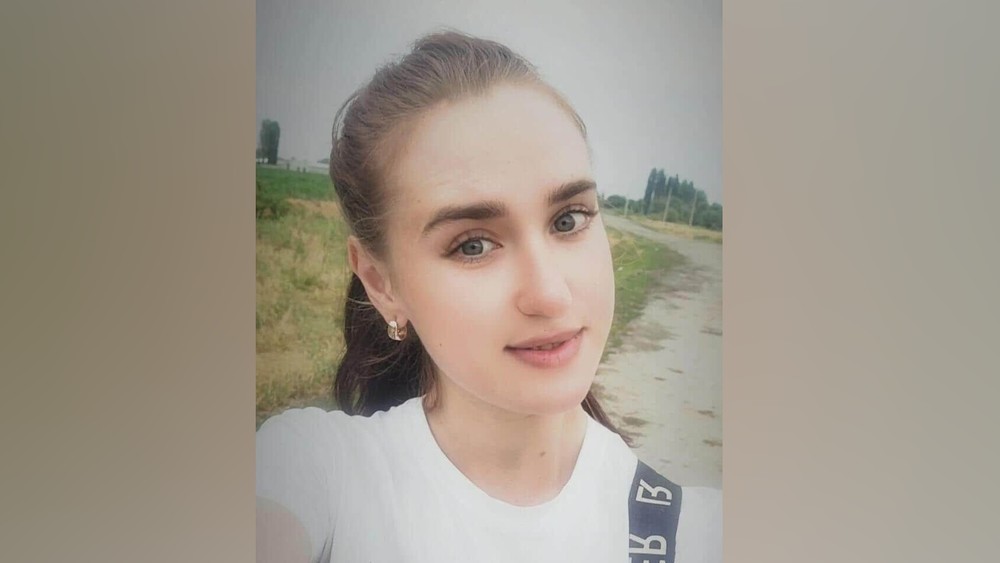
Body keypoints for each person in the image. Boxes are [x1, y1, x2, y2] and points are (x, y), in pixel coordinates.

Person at [256, 30, 721, 563]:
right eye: (473, 245)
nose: (549, 294)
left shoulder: (700, 533)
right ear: (381, 284)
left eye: (568, 220)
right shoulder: (314, 473)